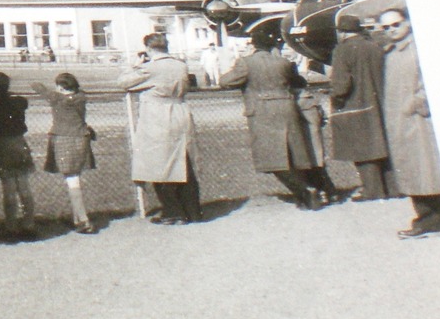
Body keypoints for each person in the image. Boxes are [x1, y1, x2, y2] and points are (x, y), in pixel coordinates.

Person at [220, 29, 327, 211]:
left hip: (262, 111)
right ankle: (308, 193)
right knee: (294, 155)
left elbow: (226, 81)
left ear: (253, 45)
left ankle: (304, 192)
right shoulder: (283, 62)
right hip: (286, 107)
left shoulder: (246, 63)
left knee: (271, 158)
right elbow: (297, 81)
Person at [376, 7, 440, 238]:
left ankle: (434, 220)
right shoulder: (391, 52)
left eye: (396, 24)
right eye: (386, 27)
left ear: (407, 22)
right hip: (401, 124)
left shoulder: (419, 49)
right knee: (414, 171)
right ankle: (431, 219)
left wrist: (416, 103)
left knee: (427, 171)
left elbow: (435, 81)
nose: (392, 29)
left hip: (420, 121)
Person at [118, 33, 202, 224]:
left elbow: (123, 82)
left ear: (148, 48)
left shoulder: (150, 68)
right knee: (184, 162)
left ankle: (173, 211)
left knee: (157, 164)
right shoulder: (180, 65)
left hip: (158, 116)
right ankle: (193, 211)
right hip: (180, 111)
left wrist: (135, 65)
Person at [328, 13, 395, 201]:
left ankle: (372, 191)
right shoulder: (375, 47)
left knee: (362, 149)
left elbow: (341, 83)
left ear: (341, 33)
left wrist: (335, 98)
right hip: (380, 102)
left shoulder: (342, 50)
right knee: (382, 145)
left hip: (355, 104)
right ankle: (393, 188)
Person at [31, 72, 97, 234]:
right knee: (74, 178)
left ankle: (83, 219)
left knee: (72, 180)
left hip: (63, 139)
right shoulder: (81, 97)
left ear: (61, 87)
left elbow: (38, 87)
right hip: (81, 138)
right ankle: (78, 218)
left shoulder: (57, 98)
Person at [0, 71, 37, 239]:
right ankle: (28, 224)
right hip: (19, 143)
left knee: (9, 189)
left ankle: (11, 226)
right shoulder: (16, 102)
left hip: (4, 146)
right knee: (23, 187)